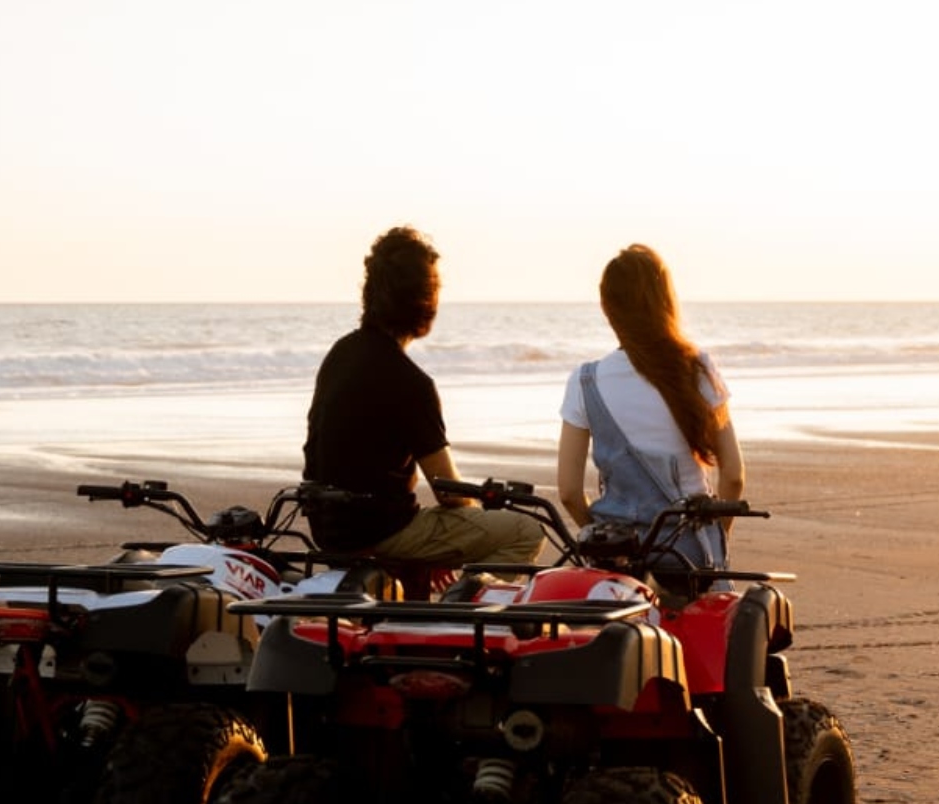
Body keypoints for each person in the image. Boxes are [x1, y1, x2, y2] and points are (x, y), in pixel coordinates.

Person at [302, 226, 545, 571]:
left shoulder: (339, 354)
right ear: (425, 301)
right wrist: (469, 529)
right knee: (524, 530)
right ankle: (463, 606)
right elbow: (451, 493)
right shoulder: (411, 382)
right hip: (380, 532)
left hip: (329, 529)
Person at [557, 244, 745, 570]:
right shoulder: (697, 368)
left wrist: (601, 536)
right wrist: (716, 540)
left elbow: (570, 492)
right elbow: (733, 476)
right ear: (666, 302)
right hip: (687, 553)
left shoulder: (584, 381)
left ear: (606, 307)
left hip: (617, 557)